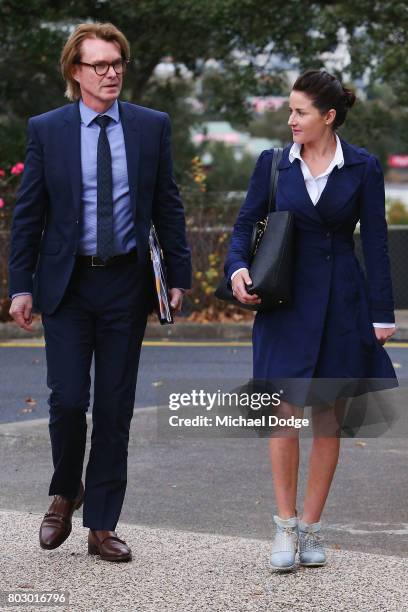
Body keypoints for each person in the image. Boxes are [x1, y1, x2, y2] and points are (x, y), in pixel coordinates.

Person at [8, 22, 191, 562]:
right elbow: (28, 216)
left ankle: (102, 524)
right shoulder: (48, 129)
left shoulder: (150, 126)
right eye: (99, 65)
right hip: (66, 284)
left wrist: (177, 277)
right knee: (68, 401)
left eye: (117, 64)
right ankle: (66, 490)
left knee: (114, 407)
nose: (111, 73)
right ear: (75, 71)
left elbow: (168, 205)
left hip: (125, 284)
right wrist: (21, 286)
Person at [224, 69, 397, 570]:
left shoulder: (362, 167)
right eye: (290, 110)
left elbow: (379, 245)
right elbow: (244, 225)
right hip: (285, 305)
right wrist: (237, 268)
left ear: (329, 116)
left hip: (343, 304)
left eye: (300, 111)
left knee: (327, 419)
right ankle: (283, 527)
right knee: (283, 414)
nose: (291, 119)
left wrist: (381, 314)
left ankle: (312, 528)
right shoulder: (273, 164)